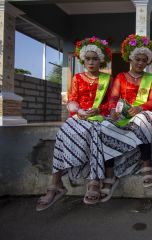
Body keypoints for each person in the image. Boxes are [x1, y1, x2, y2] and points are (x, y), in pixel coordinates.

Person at [36, 37, 113, 210]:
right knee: (63, 131)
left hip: (99, 117)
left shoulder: (108, 79)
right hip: (79, 115)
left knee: (96, 132)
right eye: (88, 59)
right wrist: (78, 111)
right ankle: (55, 184)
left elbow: (112, 103)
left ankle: (94, 182)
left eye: (95, 58)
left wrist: (99, 110)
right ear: (83, 60)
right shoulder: (78, 78)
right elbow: (72, 99)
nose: (91, 62)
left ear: (101, 60)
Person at [99, 34, 152, 201]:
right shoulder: (120, 77)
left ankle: (146, 166)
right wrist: (113, 111)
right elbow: (113, 99)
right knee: (105, 127)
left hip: (141, 112)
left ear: (147, 62)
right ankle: (110, 174)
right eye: (137, 59)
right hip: (123, 114)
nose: (140, 63)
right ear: (130, 59)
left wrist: (141, 107)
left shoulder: (150, 78)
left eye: (144, 60)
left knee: (142, 121)